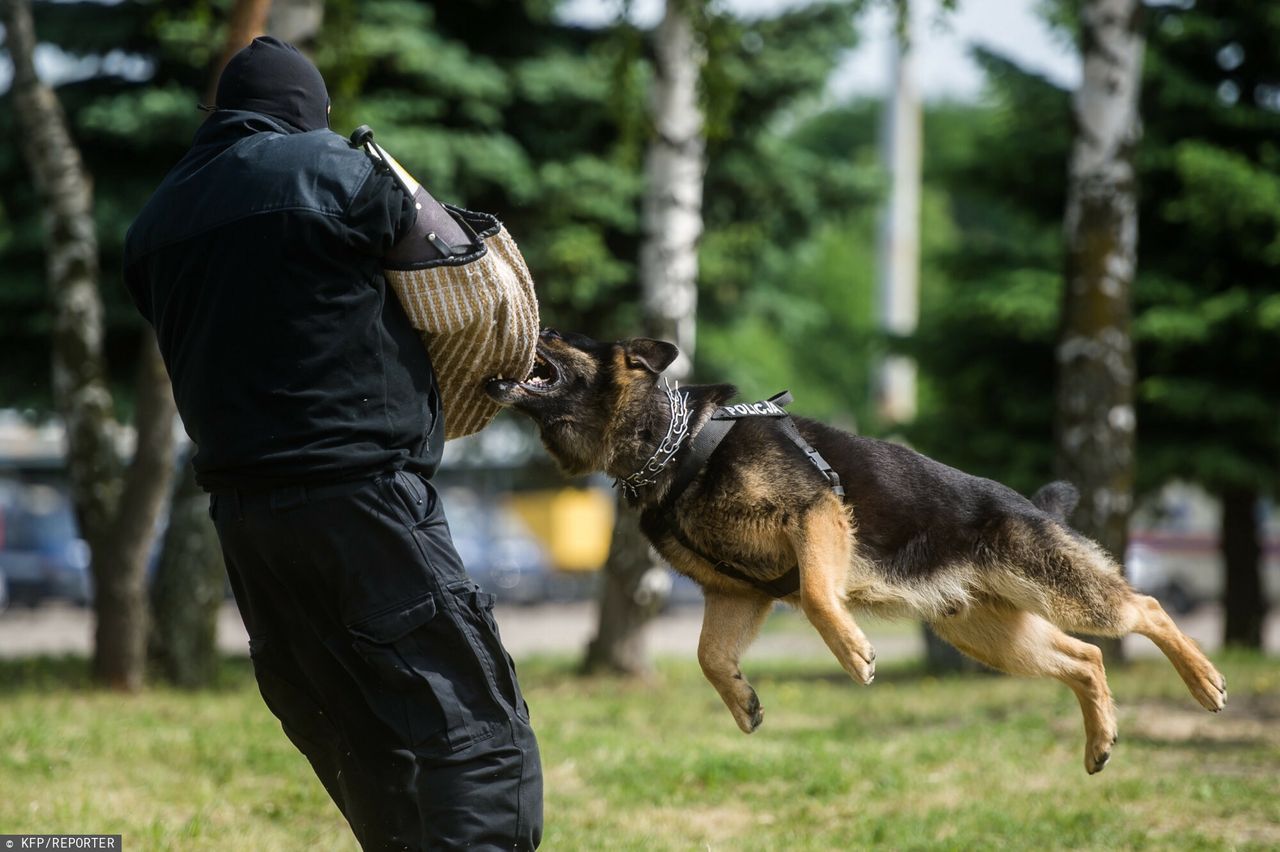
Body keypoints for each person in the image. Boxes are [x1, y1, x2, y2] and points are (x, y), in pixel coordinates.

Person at [123, 36, 543, 850]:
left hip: (247, 523)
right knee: (475, 736)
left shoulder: (154, 224)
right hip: (365, 501)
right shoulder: (333, 167)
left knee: (359, 734)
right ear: (307, 112)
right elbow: (454, 254)